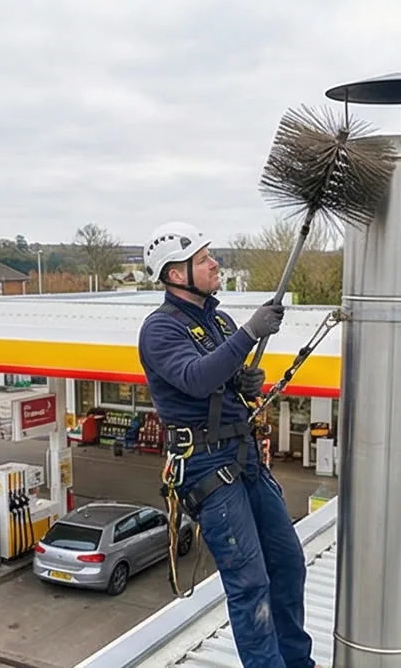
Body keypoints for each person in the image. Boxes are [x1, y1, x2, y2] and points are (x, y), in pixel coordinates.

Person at [137, 221, 318, 668]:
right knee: (250, 582)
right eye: (202, 259)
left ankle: (297, 662)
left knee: (288, 564)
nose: (214, 263)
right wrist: (249, 334)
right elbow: (196, 379)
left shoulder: (216, 320)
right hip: (205, 466)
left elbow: (219, 373)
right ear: (177, 275)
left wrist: (244, 380)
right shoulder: (159, 329)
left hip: (243, 457)